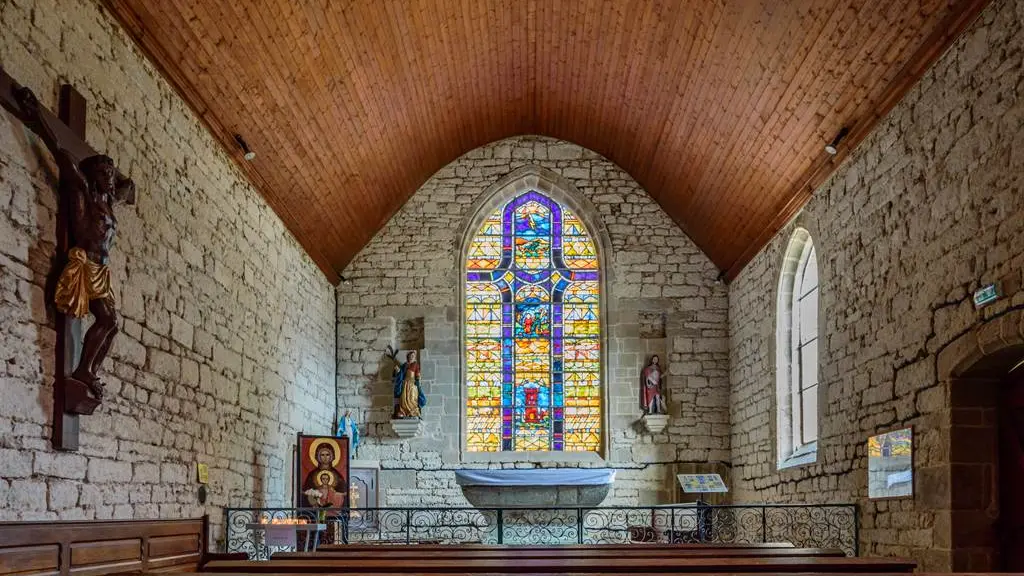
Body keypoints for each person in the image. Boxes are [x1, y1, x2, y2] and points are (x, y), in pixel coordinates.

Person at [15, 86, 135, 401]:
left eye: (111, 173)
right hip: (86, 264)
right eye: (104, 173)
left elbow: (125, 191)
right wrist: (36, 116)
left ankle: (89, 371)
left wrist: (128, 185)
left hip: (102, 271)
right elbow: (58, 150)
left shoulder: (109, 202)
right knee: (108, 319)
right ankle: (84, 371)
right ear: (93, 175)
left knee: (113, 325)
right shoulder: (83, 190)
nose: (109, 178)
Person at [392, 350, 426, 418]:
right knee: (403, 398)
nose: (411, 357)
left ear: (414, 357)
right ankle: (403, 412)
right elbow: (401, 374)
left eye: (413, 356)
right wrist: (398, 371)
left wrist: (418, 379)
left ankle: (414, 412)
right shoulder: (404, 365)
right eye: (410, 356)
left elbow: (417, 374)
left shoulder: (415, 364)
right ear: (408, 357)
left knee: (412, 398)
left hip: (412, 384)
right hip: (405, 384)